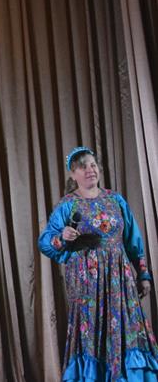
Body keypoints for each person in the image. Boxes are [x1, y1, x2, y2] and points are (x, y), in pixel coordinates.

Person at [38, 146, 158, 380]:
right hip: (86, 281)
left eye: (93, 165)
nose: (90, 170)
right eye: (83, 167)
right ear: (73, 174)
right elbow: (45, 242)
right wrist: (62, 236)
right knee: (92, 329)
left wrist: (143, 274)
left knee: (125, 326)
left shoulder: (115, 199)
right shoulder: (68, 204)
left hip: (119, 279)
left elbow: (133, 239)